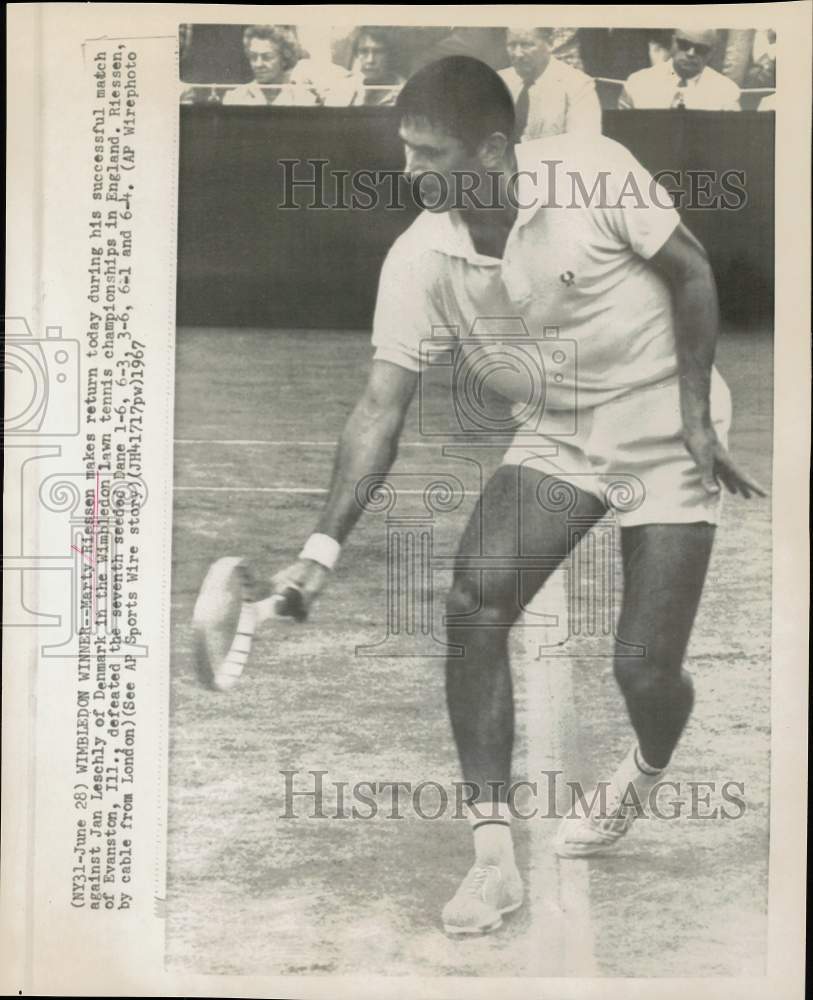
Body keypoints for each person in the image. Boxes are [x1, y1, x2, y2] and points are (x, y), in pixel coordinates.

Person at [194, 56, 764, 936]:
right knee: (472, 602)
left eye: (429, 153)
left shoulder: (593, 172)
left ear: (493, 150)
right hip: (559, 434)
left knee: (642, 670)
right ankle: (492, 862)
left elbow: (691, 273)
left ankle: (644, 769)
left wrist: (694, 413)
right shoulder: (418, 259)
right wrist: (317, 556)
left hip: (664, 422)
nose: (410, 171)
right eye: (406, 150)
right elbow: (379, 410)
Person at [498, 27, 601, 139]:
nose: (517, 54)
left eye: (526, 45)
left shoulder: (578, 86)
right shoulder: (500, 80)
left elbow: (583, 145)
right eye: (512, 45)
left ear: (550, 43)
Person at [619, 28, 741, 110]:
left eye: (701, 49)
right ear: (673, 42)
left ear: (711, 53)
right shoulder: (637, 83)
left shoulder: (726, 93)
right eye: (684, 44)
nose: (691, 53)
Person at [223, 25, 320, 106]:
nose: (258, 64)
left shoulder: (304, 100)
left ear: (284, 59)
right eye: (253, 56)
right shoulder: (234, 98)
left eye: (267, 57)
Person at [324, 27, 405, 107]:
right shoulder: (343, 87)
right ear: (356, 55)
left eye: (378, 52)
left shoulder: (405, 92)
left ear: (390, 55)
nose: (370, 60)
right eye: (363, 51)